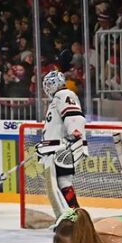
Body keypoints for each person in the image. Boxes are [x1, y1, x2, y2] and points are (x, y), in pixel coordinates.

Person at [36, 69, 87, 217]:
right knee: (56, 185)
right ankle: (68, 218)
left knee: (63, 182)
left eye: (47, 85)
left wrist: (75, 131)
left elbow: (74, 116)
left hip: (62, 149)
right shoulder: (57, 98)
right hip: (54, 149)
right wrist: (44, 146)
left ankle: (74, 218)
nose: (46, 88)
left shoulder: (64, 95)